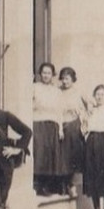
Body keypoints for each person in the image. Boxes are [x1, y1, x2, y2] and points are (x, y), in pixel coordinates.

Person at [56, 66, 90, 198]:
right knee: (61, 156)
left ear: (73, 79)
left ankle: (72, 184)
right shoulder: (58, 92)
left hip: (74, 126)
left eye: (67, 78)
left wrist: (86, 117)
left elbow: (90, 103)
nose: (65, 81)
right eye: (63, 78)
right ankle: (62, 184)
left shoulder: (78, 91)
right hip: (60, 125)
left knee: (73, 156)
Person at [32, 62, 64, 197]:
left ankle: (49, 185)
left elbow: (60, 110)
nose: (46, 75)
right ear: (40, 74)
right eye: (44, 73)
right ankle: (39, 185)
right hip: (39, 123)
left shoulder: (57, 91)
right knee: (40, 154)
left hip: (53, 125)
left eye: (49, 73)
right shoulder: (34, 87)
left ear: (53, 75)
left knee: (51, 155)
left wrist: (61, 128)